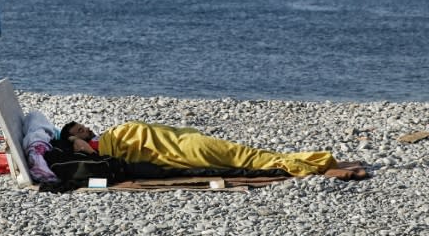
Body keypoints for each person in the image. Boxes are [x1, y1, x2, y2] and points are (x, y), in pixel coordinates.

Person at [60, 121, 367, 180]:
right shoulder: (85, 147)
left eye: (82, 128)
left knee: (245, 152)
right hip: (181, 149)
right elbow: (86, 152)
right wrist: (75, 142)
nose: (84, 129)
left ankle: (313, 162)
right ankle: (318, 167)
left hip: (176, 138)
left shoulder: (108, 136)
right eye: (77, 130)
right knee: (244, 158)